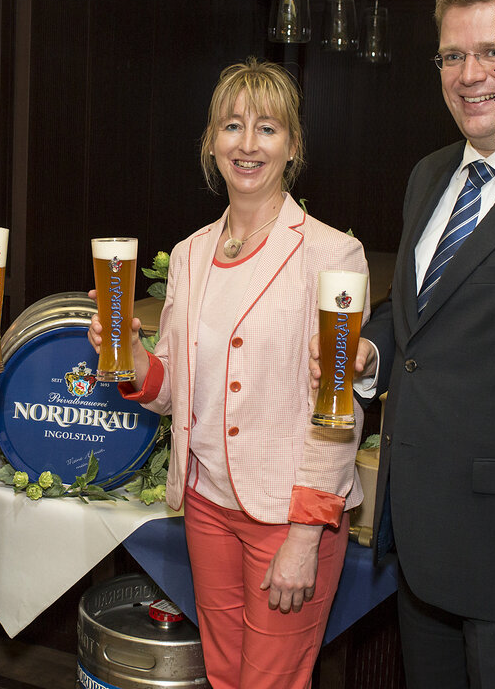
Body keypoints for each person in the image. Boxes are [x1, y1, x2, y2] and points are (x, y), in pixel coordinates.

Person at [89, 59, 369, 689]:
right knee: (221, 674)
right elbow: (175, 393)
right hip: (207, 503)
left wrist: (306, 532)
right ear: (210, 142)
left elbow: (338, 409)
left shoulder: (330, 253)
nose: (247, 145)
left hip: (289, 514)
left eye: (266, 129)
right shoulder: (189, 254)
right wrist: (135, 362)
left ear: (292, 145)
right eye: (232, 126)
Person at [310, 0, 495, 687]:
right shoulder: (430, 176)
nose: (472, 74)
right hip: (417, 538)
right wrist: (368, 351)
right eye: (453, 56)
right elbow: (412, 316)